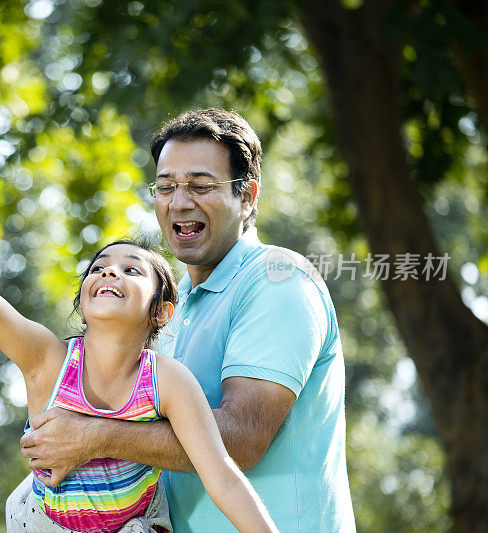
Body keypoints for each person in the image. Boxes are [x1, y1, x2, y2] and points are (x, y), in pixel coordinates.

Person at [0, 157, 278, 533]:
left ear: (162, 312)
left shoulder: (166, 380)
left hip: (136, 523)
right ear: (84, 297)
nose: (110, 273)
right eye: (100, 268)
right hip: (45, 524)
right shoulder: (48, 360)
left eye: (132, 270)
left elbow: (221, 474)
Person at [20, 108, 357, 532]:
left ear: (247, 196)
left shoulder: (277, 280)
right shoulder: (167, 308)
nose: (179, 203)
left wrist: (94, 436)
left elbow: (241, 438)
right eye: (165, 188)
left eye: (200, 186)